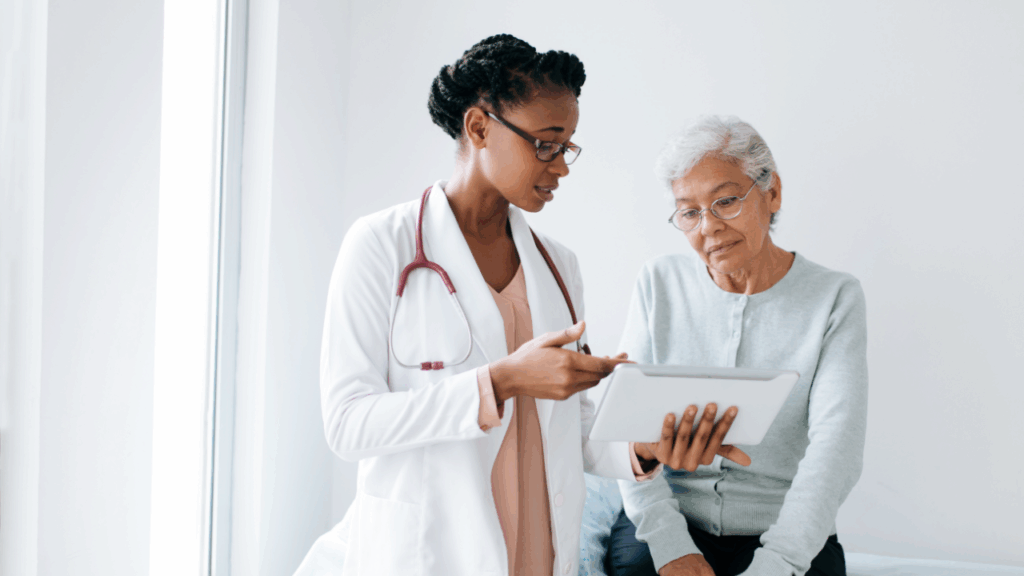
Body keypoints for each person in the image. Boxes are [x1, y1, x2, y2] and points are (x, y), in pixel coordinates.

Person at [293, 36, 746, 576]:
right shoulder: (379, 246)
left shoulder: (558, 265)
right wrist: (501, 382)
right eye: (545, 144)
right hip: (431, 552)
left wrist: (645, 449)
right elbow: (349, 424)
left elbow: (568, 428)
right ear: (479, 127)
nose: (561, 166)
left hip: (537, 549)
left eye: (568, 146)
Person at [604, 115, 867, 576]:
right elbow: (626, 430)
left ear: (773, 193)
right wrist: (670, 547)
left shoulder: (834, 297)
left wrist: (779, 560)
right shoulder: (658, 283)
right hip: (668, 523)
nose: (708, 228)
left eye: (725, 201)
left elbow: (836, 449)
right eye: (689, 212)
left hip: (785, 531)